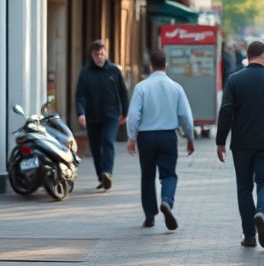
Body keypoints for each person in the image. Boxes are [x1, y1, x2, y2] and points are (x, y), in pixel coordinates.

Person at [216, 41, 264, 249]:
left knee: (244, 188)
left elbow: (226, 112)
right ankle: (262, 214)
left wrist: (220, 141)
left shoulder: (234, 80)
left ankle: (249, 235)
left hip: (241, 143)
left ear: (248, 57)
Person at [126, 49, 195, 230]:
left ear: (151, 65)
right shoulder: (176, 87)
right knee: (169, 174)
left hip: (146, 137)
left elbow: (133, 115)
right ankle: (166, 201)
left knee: (148, 175)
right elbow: (185, 116)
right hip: (168, 136)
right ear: (166, 64)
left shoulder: (141, 87)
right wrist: (190, 138)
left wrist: (131, 137)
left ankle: (150, 216)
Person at [75, 40, 129, 191]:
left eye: (102, 54)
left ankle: (107, 172)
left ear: (105, 53)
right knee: (95, 148)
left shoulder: (114, 71)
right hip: (92, 117)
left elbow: (123, 92)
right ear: (92, 55)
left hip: (111, 115)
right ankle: (101, 176)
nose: (99, 57)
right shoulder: (86, 73)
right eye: (96, 54)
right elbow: (80, 95)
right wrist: (81, 113)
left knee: (107, 140)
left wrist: (125, 112)